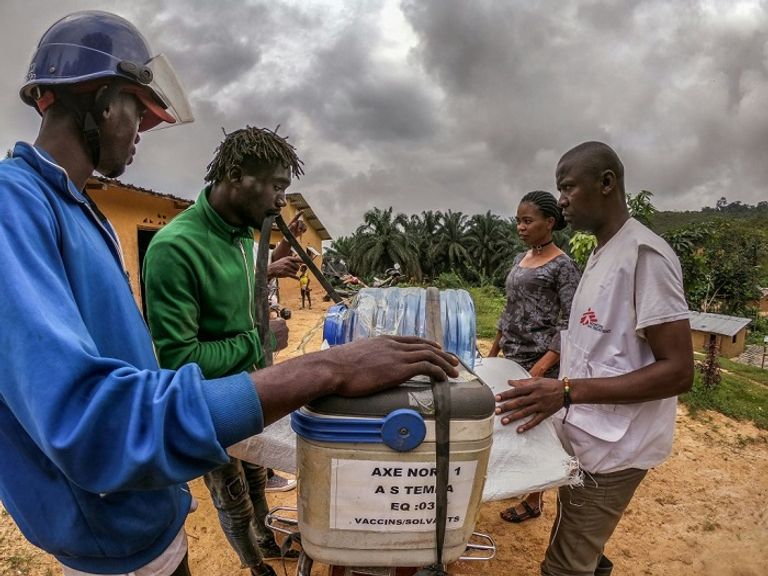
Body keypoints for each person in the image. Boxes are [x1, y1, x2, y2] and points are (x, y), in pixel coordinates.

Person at [0, 11, 459, 576]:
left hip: (148, 517)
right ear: (99, 100)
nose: (145, 128)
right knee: (236, 501)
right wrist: (324, 369)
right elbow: (96, 424)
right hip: (111, 544)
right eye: (138, 110)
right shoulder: (13, 208)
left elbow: (134, 373)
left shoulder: (78, 208)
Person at [495, 141, 693, 576]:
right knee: (582, 543)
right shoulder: (602, 253)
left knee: (564, 565)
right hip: (589, 433)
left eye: (567, 187)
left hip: (618, 449)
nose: (561, 199)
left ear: (606, 183)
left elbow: (678, 371)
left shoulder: (645, 256)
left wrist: (565, 391)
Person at [142, 127, 308, 575]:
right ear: (236, 176)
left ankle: (266, 541)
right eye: (276, 187)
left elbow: (244, 301)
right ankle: (257, 566)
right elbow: (180, 361)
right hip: (211, 407)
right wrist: (260, 340)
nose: (279, 200)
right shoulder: (175, 248)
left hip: (250, 393)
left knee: (257, 479)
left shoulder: (240, 240)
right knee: (231, 496)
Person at [487, 190, 581, 524]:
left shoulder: (564, 266)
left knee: (532, 426)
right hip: (510, 352)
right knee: (503, 420)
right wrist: (494, 350)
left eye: (528, 221)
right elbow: (509, 307)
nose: (520, 227)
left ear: (549, 222)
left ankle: (533, 498)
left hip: (539, 359)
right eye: (518, 221)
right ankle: (518, 482)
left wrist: (543, 366)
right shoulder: (520, 259)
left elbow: (571, 321)